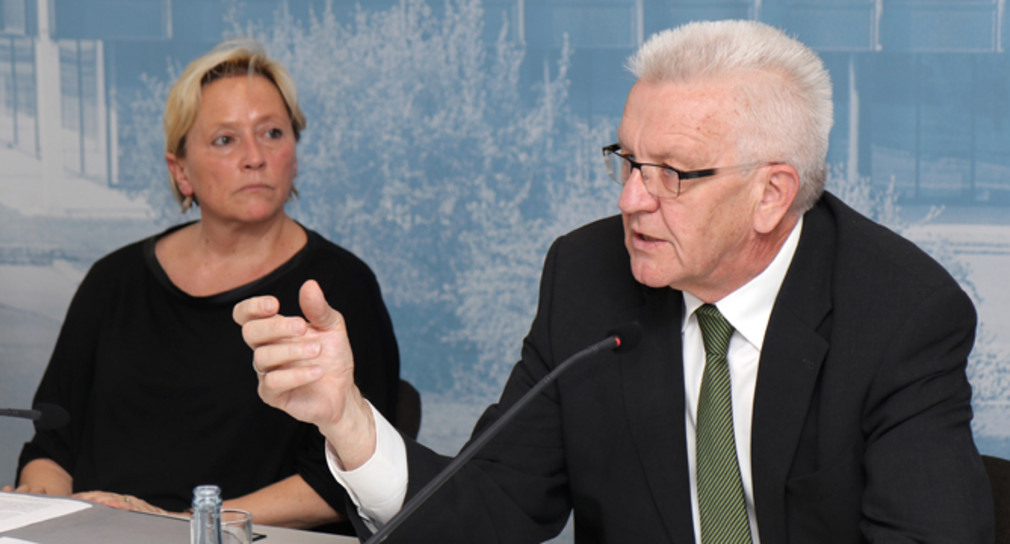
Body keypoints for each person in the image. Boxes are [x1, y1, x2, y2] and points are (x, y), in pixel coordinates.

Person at [234, 20, 994, 542]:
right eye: (629, 162)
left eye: (673, 175)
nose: (631, 200)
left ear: (772, 194)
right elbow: (491, 507)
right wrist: (347, 420)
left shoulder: (899, 313)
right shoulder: (588, 278)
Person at [4, 39, 400, 530]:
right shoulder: (113, 281)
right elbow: (50, 449)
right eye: (225, 140)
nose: (255, 157)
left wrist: (177, 526)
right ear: (181, 172)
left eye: (272, 133)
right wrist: (42, 514)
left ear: (294, 154)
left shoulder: (339, 289)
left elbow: (340, 480)